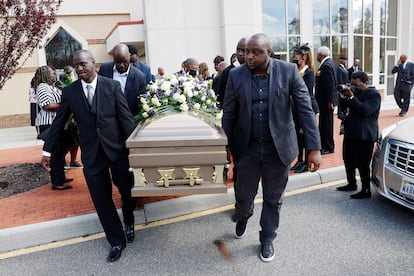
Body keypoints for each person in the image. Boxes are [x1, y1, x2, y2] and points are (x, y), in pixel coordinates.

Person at [222, 33, 321, 262]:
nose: (249, 56)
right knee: (244, 195)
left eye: (256, 52)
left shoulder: (288, 72)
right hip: (246, 150)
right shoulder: (236, 76)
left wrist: (314, 147)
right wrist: (224, 145)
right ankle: (244, 215)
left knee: (273, 199)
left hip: (278, 151)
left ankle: (267, 239)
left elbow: (305, 109)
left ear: (269, 53)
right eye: (247, 51)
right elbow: (229, 113)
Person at [40, 50, 136, 262]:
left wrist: (137, 148)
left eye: (83, 64)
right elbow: (59, 123)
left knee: (127, 191)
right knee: (101, 200)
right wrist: (47, 150)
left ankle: (129, 220)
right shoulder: (70, 92)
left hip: (117, 152)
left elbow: (126, 121)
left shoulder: (112, 87)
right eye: (76, 66)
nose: (79, 69)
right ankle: (116, 240)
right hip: (92, 155)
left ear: (94, 63)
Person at [336, 71, 381, 199]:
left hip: (364, 135)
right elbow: (345, 109)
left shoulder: (374, 94)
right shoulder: (356, 93)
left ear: (365, 83)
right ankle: (351, 184)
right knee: (348, 159)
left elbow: (364, 110)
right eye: (352, 84)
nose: (354, 87)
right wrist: (344, 97)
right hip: (351, 132)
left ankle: (366, 190)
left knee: (362, 164)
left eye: (356, 84)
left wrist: (351, 97)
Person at [34, 65, 72, 190]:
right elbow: (47, 105)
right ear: (44, 74)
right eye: (51, 72)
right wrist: (65, 106)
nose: (54, 74)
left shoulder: (53, 86)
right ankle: (57, 182)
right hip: (49, 123)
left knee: (60, 151)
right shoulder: (42, 87)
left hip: (58, 123)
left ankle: (60, 176)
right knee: (55, 152)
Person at [291, 43, 319, 173]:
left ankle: (307, 163)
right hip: (296, 110)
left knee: (306, 136)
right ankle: (300, 161)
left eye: (297, 56)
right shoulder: (296, 71)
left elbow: (305, 94)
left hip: (307, 109)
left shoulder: (309, 73)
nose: (295, 58)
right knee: (299, 138)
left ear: (303, 58)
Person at [99, 43, 147, 116]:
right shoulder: (104, 69)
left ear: (129, 56)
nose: (121, 65)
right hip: (107, 118)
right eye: (117, 62)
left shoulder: (139, 77)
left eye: (124, 61)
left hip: (129, 119)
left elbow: (140, 104)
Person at [315, 46, 337, 155]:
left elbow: (330, 85)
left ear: (321, 55)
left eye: (317, 54)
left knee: (327, 124)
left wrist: (330, 101)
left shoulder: (326, 65)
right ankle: (325, 145)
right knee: (324, 124)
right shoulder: (330, 63)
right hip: (325, 101)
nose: (316, 56)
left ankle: (328, 147)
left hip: (326, 102)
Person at [217, 37, 247, 108]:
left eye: (243, 50)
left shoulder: (256, 70)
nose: (240, 54)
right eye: (238, 50)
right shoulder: (228, 72)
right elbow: (223, 97)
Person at [337, 57, 350, 135]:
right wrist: (342, 92)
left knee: (345, 116)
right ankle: (342, 129)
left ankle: (342, 129)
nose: (346, 62)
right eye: (345, 60)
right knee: (343, 116)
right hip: (342, 94)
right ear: (341, 61)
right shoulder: (339, 69)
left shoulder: (344, 69)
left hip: (346, 93)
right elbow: (340, 82)